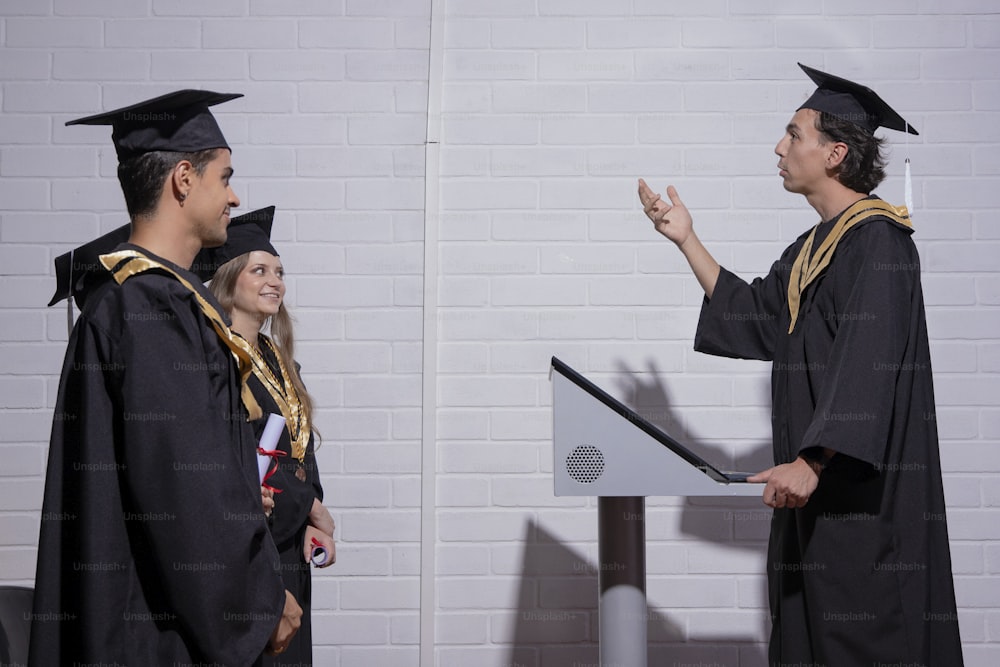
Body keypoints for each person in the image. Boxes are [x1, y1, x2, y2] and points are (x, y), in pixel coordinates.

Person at [638, 63, 964, 665]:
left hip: (858, 504)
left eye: (794, 134)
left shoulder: (879, 244)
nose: (780, 147)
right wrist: (686, 238)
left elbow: (870, 366)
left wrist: (814, 460)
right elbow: (758, 317)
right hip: (810, 503)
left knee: (862, 642)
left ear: (835, 152)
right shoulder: (814, 248)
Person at [31, 90, 302, 665]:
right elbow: (185, 495)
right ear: (183, 178)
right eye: (224, 177)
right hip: (157, 636)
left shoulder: (143, 300)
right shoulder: (149, 307)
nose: (234, 195)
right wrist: (257, 603)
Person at [194, 206, 336, 666]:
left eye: (279, 271)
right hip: (250, 553)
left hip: (291, 548)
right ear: (229, 277)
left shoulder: (278, 358)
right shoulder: (216, 358)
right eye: (260, 270)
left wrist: (315, 518)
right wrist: (310, 506)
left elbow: (299, 447)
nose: (276, 281)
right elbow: (233, 460)